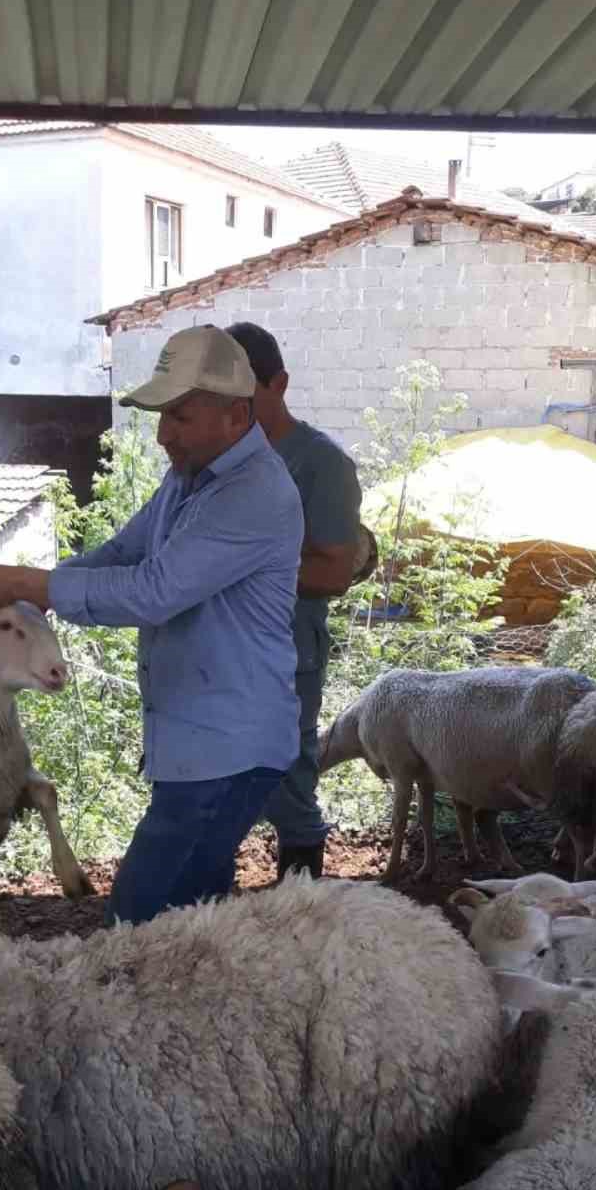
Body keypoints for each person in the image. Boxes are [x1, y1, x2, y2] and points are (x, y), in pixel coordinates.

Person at [0, 324, 304, 927]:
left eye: (179, 417)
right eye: (163, 417)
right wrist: (31, 600)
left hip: (225, 752)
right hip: (204, 746)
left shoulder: (253, 493)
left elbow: (153, 592)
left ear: (236, 417)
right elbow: (124, 553)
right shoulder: (190, 475)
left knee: (134, 925)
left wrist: (22, 584)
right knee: (193, 921)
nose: (163, 435)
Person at [226, 322, 362, 881]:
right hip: (221, 648)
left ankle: (301, 908)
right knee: (215, 776)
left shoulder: (322, 464)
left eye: (244, 395)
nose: (233, 410)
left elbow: (334, 571)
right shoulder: (216, 458)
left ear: (278, 384)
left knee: (289, 778)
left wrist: (235, 567)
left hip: (288, 652)